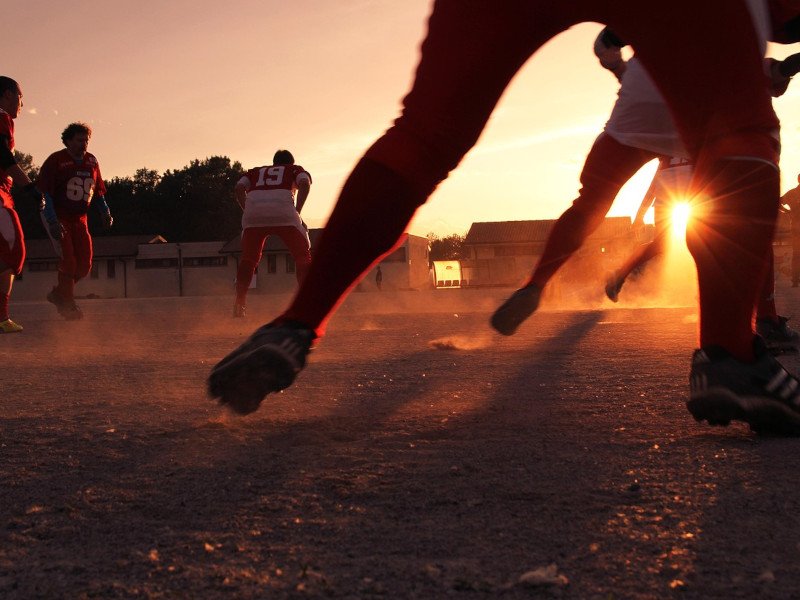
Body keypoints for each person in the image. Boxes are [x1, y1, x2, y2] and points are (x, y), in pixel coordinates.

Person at [209, 0, 800, 436]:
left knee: (423, 138)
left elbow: (607, 54)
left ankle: (294, 324)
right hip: (681, 119)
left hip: (627, 114)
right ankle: (731, 352)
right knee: (741, 145)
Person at [37, 122, 112, 320]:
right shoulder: (56, 160)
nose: (84, 144)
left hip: (80, 219)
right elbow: (46, 194)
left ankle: (59, 293)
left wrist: (105, 212)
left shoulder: (92, 161)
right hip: (58, 215)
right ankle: (67, 305)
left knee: (85, 265)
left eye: (86, 140)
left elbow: (97, 192)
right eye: (79, 140)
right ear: (68, 141)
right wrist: (52, 220)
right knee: (69, 261)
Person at [231, 149, 312, 318]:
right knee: (302, 256)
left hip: (253, 216)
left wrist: (248, 210)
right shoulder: (293, 169)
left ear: (274, 163)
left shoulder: (254, 172)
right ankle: (307, 303)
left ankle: (239, 303)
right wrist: (297, 211)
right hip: (285, 213)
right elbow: (304, 183)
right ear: (290, 162)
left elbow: (239, 187)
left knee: (248, 259)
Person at [0, 76, 43, 333]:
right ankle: (1, 316)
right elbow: (2, 154)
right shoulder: (2, 116)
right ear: (6, 94)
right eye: (20, 96)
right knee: (13, 250)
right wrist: (29, 186)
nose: (22, 103)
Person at [780, 174, 800, 286]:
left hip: (796, 228)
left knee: (796, 253)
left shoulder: (792, 193)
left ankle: (795, 280)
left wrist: (788, 212)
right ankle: (796, 279)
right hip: (797, 228)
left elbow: (778, 202)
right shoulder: (792, 193)